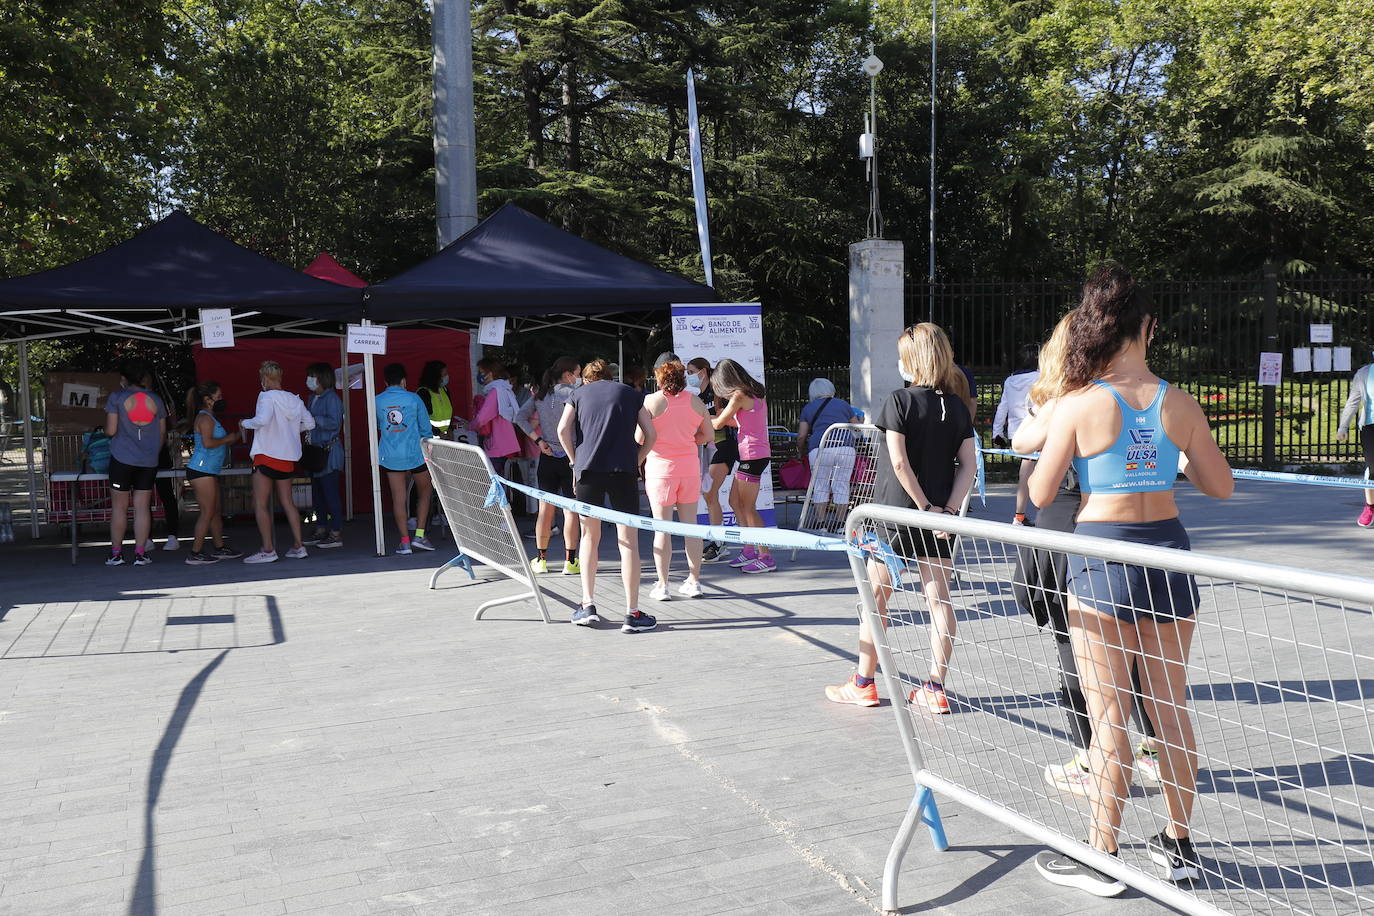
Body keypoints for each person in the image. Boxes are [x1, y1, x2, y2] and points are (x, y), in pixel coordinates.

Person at [1028, 263, 1233, 897]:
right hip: (1169, 554)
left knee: (1109, 714)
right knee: (1169, 708)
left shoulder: (1079, 403)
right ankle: (1178, 846)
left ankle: (1103, 853)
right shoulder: (1179, 403)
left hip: (1101, 559)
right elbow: (1220, 486)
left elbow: (1039, 492)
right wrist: (1170, 463)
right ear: (1147, 328)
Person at [1010, 312, 1161, 796]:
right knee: (1135, 644)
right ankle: (1153, 749)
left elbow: (1024, 449)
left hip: (1070, 523)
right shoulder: (1141, 391)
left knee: (1074, 641)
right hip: (1134, 529)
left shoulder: (1069, 398)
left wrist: (1056, 397)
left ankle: (1092, 758)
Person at [826, 324, 976, 713]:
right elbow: (969, 465)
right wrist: (947, 512)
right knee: (939, 600)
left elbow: (898, 461)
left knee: (876, 599)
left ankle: (863, 682)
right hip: (939, 518)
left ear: (911, 359)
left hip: (894, 514)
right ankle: (935, 686)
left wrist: (925, 508)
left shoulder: (899, 401)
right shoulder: (957, 406)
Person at [557, 358, 658, 632]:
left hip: (588, 469)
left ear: (587, 378)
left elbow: (562, 430)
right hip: (623, 470)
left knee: (590, 537)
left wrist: (574, 461)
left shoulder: (577, 394)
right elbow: (650, 433)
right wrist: (637, 459)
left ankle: (587, 604)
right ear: (611, 377)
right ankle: (632, 612)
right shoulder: (631, 394)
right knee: (629, 541)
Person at [642, 359, 713, 600]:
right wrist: (688, 440)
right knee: (690, 527)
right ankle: (694, 581)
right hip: (689, 469)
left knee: (662, 529)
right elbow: (708, 435)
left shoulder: (651, 401)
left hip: (660, 470)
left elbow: (640, 438)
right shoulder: (696, 401)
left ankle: (662, 585)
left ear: (659, 378)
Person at [239, 360, 315, 564]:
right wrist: (289, 432)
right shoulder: (295, 399)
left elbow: (262, 420)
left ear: (264, 378)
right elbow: (310, 423)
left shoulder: (265, 396)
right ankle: (299, 546)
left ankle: (268, 549)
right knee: (288, 502)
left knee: (260, 504)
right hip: (288, 458)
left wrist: (244, 423)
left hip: (266, 455)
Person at [515, 357, 582, 575]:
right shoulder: (575, 393)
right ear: (568, 374)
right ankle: (570, 561)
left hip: (547, 454)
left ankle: (541, 559)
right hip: (571, 455)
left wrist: (538, 440)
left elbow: (519, 417)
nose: (579, 377)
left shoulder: (541, 394)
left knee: (545, 509)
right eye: (578, 373)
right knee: (571, 510)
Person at [710, 359, 775, 573]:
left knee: (748, 507)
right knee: (734, 501)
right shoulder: (752, 392)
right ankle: (749, 550)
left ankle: (765, 556)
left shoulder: (739, 394)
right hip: (752, 455)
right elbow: (741, 421)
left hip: (752, 456)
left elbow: (718, 424)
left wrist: (698, 420)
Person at [104, 359, 167, 567]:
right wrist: (151, 454)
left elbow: (111, 431)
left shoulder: (117, 397)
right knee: (142, 507)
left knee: (119, 507)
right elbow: (161, 434)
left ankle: (116, 554)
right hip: (148, 460)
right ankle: (140, 554)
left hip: (122, 458)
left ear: (124, 378)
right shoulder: (156, 399)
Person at [376, 362, 435, 555]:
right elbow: (425, 428)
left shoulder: (376, 400)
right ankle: (419, 535)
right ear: (403, 380)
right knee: (425, 492)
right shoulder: (414, 398)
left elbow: (377, 425)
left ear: (385, 381)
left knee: (398, 499)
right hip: (416, 453)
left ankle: (404, 542)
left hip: (390, 455)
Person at [182, 381, 243, 564]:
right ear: (208, 400)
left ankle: (219, 547)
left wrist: (236, 435)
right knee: (208, 512)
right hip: (202, 469)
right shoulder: (205, 418)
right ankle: (195, 552)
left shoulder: (210, 417)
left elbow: (221, 441)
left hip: (208, 469)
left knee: (214, 511)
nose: (221, 399)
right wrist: (228, 438)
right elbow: (208, 443)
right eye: (219, 397)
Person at [796, 378, 863, 532]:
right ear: (831, 389)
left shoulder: (808, 408)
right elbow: (857, 430)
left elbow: (801, 436)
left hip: (820, 448)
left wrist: (800, 451)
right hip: (845, 447)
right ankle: (840, 524)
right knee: (841, 484)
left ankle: (821, 524)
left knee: (820, 486)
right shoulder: (843, 405)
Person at [690, 357, 735, 564]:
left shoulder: (717, 392)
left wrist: (708, 423)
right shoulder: (692, 394)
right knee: (709, 496)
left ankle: (718, 543)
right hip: (702, 448)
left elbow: (721, 420)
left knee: (710, 493)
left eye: (691, 371)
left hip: (723, 446)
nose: (688, 375)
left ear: (703, 371)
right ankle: (717, 540)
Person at [993, 343, 1042, 525]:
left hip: (1018, 433)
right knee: (1038, 471)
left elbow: (1002, 407)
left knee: (1027, 470)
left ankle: (1020, 516)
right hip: (1037, 429)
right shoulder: (1041, 377)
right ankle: (1036, 513)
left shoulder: (1010, 380)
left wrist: (997, 433)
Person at [303, 362, 344, 550]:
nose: (309, 380)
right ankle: (321, 528)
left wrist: (314, 420)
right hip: (314, 452)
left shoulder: (332, 399)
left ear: (322, 379)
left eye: (312, 376)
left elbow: (335, 424)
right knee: (318, 495)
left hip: (329, 454)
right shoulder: (312, 398)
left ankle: (335, 533)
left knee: (330, 494)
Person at [1337, 352, 1374, 527]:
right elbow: (1353, 402)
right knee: (1372, 468)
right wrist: (1343, 427)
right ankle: (1370, 507)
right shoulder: (1364, 374)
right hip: (1370, 427)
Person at [473, 359, 520, 474]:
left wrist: (468, 426)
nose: (479, 375)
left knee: (495, 483)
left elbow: (481, 419)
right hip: (506, 444)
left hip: (497, 446)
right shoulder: (504, 388)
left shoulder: (495, 392)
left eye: (481, 371)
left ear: (490, 373)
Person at [416, 360, 454, 439]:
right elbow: (421, 419)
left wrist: (450, 430)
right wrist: (438, 432)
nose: (447, 376)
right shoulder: (423, 392)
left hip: (446, 440)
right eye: (444, 374)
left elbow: (449, 415)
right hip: (429, 441)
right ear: (435, 375)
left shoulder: (444, 390)